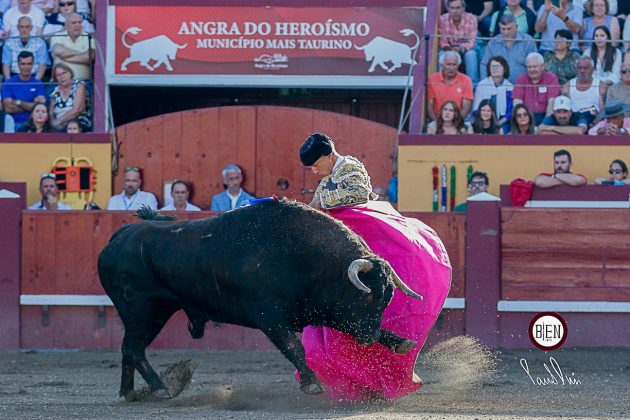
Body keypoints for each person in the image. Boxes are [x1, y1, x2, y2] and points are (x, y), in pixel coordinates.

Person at [298, 132, 451, 401]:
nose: (314, 171)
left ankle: (381, 379)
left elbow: (357, 194)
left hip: (369, 243)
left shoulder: (350, 167)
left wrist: (323, 203)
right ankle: (359, 387)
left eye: (315, 165)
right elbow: (315, 207)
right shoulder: (327, 179)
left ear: (328, 156)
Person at [481, 14, 536, 83]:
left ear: (516, 26)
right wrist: (487, 84)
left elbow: (535, 66)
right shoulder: (493, 43)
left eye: (509, 29)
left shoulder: (527, 41)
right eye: (503, 29)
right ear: (499, 27)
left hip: (523, 86)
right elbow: (485, 65)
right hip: (498, 86)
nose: (506, 32)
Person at [0, 51, 46, 131]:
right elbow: (8, 108)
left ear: (33, 65)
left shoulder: (38, 83)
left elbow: (40, 107)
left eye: (29, 64)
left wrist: (18, 102)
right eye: (23, 64)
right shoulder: (9, 83)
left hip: (33, 124)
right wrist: (32, 106)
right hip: (13, 123)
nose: (26, 67)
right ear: (18, 64)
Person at [512, 52, 561, 125]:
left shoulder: (551, 79)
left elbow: (551, 104)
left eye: (534, 67)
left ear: (542, 67)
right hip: (527, 116)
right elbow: (517, 104)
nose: (532, 70)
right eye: (529, 67)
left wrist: (544, 124)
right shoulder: (520, 80)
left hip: (546, 115)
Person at [438, 0, 479, 85]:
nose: (455, 11)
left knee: (471, 55)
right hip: (449, 48)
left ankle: (473, 85)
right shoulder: (442, 19)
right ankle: (441, 84)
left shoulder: (471, 18)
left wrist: (461, 49)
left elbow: (472, 41)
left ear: (463, 8)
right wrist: (450, 49)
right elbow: (443, 41)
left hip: (466, 49)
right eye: (452, 8)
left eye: (458, 8)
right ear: (448, 9)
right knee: (442, 54)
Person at [427, 51, 474, 121]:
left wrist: (456, 124)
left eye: (454, 64)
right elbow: (429, 106)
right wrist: (437, 123)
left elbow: (466, 107)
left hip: (458, 121)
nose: (451, 68)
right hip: (437, 120)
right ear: (442, 65)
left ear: (458, 65)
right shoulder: (432, 79)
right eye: (448, 64)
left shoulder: (466, 80)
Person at [50, 13, 96, 81]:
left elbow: (89, 57)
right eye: (74, 23)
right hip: (59, 82)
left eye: (80, 22)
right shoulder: (57, 35)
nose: (77, 25)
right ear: (66, 25)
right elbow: (58, 51)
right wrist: (82, 53)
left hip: (82, 82)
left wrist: (66, 58)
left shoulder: (88, 37)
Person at [561, 56, 606, 127]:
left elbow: (603, 111)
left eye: (585, 68)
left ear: (593, 70)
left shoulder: (601, 86)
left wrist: (593, 123)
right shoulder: (568, 86)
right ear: (576, 70)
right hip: (574, 118)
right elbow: (564, 108)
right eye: (579, 68)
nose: (582, 71)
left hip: (593, 119)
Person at [2, 16, 49, 81]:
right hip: (14, 76)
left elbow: (42, 65)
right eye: (22, 27)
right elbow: (6, 65)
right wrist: (9, 82)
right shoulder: (9, 42)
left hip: (34, 77)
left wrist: (35, 82)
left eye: (27, 27)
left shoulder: (40, 42)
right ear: (18, 28)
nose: (24, 30)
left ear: (31, 28)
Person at [49, 63, 92, 132]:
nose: (62, 77)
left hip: (79, 124)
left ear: (70, 73)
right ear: (55, 78)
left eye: (64, 73)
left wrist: (59, 121)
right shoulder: (55, 91)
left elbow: (78, 109)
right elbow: (51, 113)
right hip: (60, 126)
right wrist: (53, 123)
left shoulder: (79, 86)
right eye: (58, 75)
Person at [474, 56, 514, 129]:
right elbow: (476, 109)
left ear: (504, 68)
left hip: (503, 122)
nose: (494, 68)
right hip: (483, 121)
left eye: (497, 66)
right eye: (492, 66)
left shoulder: (510, 87)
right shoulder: (482, 85)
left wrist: (498, 124)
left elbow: (510, 111)